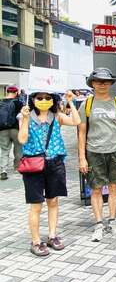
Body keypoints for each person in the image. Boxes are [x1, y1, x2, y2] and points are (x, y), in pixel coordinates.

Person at [18, 90, 81, 256]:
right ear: (33, 99)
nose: (44, 100)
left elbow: (76, 121)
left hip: (55, 163)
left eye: (48, 98)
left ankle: (52, 236)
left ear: (53, 100)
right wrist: (24, 119)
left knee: (53, 201)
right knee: (36, 204)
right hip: (34, 164)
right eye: (40, 98)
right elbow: (22, 139)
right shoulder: (25, 116)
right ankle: (36, 241)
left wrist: (71, 102)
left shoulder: (57, 116)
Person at [78, 68, 116, 242]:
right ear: (92, 83)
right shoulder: (87, 104)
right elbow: (81, 132)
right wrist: (82, 157)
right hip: (94, 152)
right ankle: (99, 224)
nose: (102, 84)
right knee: (96, 189)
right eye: (98, 81)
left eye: (106, 81)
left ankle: (113, 221)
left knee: (115, 187)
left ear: (110, 84)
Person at [0, 86, 23, 180]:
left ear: (7, 92)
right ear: (16, 92)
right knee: (18, 149)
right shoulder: (18, 102)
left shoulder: (0, 102)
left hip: (2, 129)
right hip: (15, 129)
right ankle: (18, 168)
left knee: (4, 150)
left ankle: (3, 170)